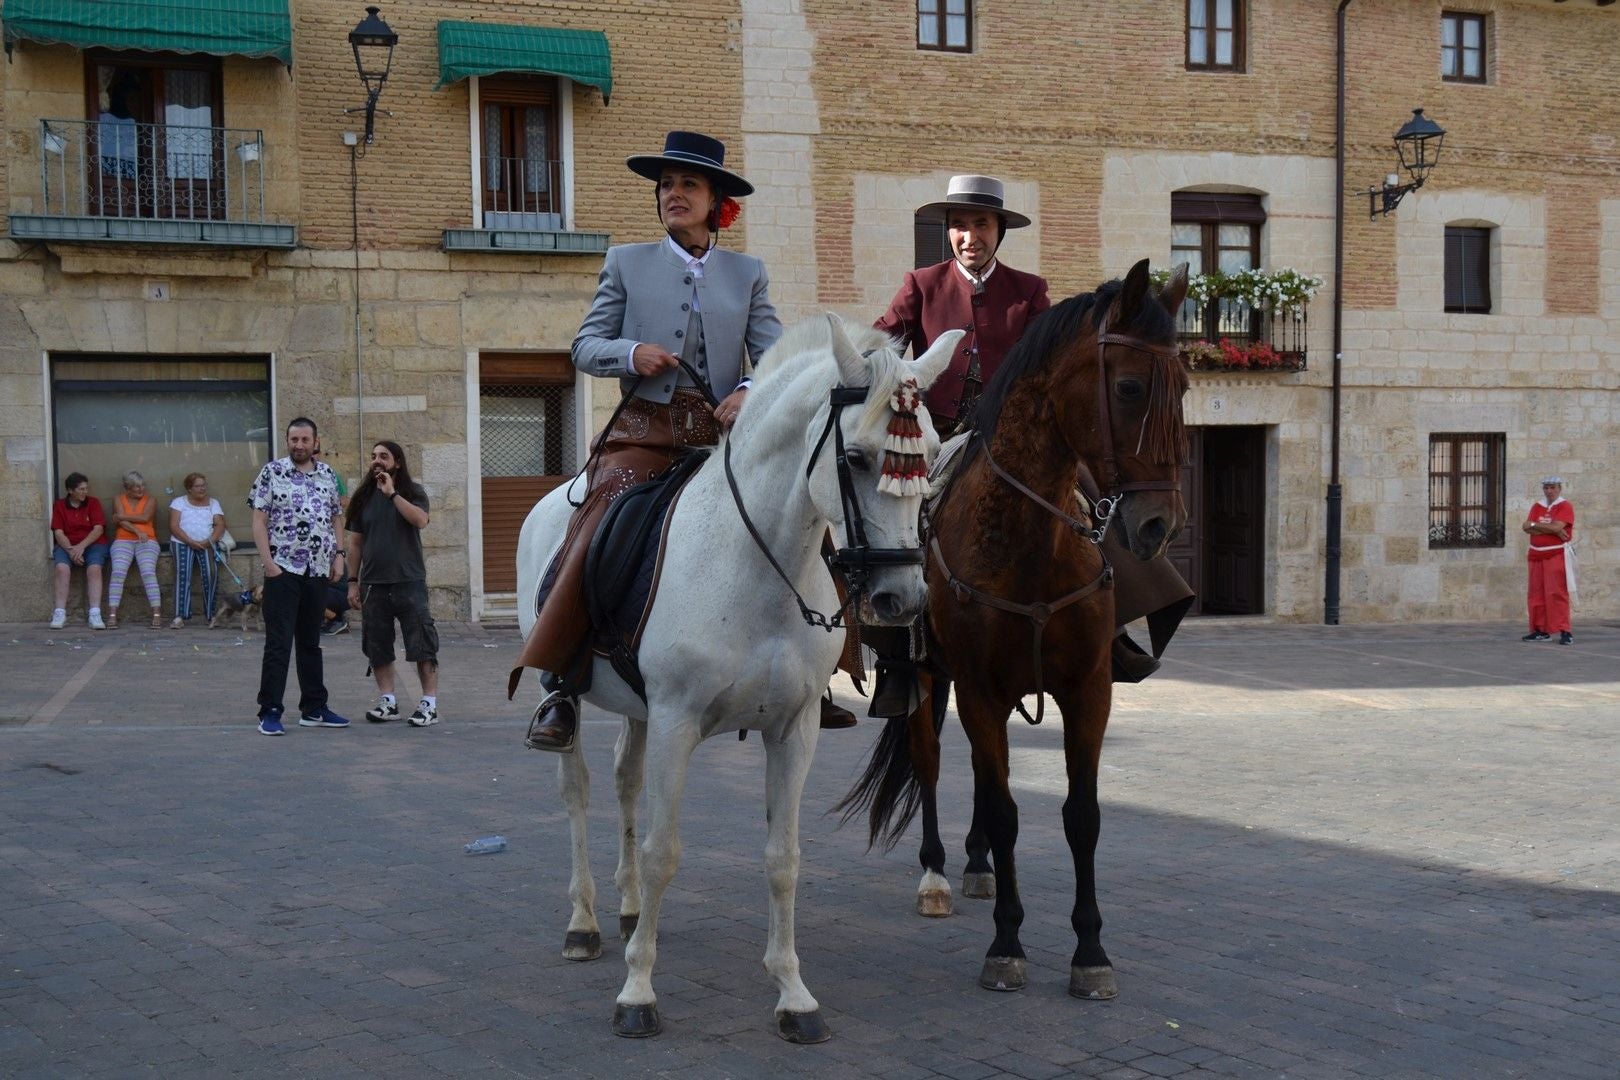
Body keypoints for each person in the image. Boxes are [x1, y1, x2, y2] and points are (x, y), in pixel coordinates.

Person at [869, 175, 1190, 710]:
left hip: (1012, 433)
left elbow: (1055, 358)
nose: (969, 235)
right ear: (949, 233)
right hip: (941, 434)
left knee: (1089, 497)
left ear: (998, 231)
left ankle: (1112, 631)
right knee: (899, 510)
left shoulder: (1029, 290)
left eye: (980, 224)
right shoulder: (920, 285)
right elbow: (883, 343)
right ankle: (898, 652)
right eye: (959, 225)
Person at [516, 130, 781, 753]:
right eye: (666, 185)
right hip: (641, 437)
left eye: (688, 184)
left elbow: (774, 353)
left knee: (796, 512)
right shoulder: (625, 262)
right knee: (596, 521)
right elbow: (584, 346)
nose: (674, 194)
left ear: (716, 199)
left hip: (719, 443)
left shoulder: (748, 273)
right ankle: (562, 680)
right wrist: (631, 352)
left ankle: (816, 673)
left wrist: (746, 387)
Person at [249, 417, 348, 736]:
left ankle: (314, 707)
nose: (299, 445)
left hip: (318, 569)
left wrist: (339, 556)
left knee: (311, 641)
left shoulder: (328, 475)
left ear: (315, 442)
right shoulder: (272, 472)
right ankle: (270, 710)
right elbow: (258, 521)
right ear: (287, 440)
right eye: (294, 439)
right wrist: (268, 563)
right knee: (279, 642)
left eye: (305, 439)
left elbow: (336, 518)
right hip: (283, 568)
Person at [345, 440, 441, 727]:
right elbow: (356, 544)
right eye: (374, 456)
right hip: (374, 584)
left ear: (397, 463)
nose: (377, 461)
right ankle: (388, 701)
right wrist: (352, 582)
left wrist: (392, 494)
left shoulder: (412, 492)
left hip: (409, 581)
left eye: (383, 456)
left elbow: (421, 520)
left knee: (422, 642)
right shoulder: (362, 497)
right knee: (377, 645)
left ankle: (429, 704)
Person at [49, 472, 108, 630]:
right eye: (81, 489)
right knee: (62, 568)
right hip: (67, 545)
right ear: (70, 490)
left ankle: (95, 613)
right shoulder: (60, 506)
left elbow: (98, 529)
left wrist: (80, 547)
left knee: (94, 569)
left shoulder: (93, 503)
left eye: (86, 488)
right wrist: (71, 551)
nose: (85, 492)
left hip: (93, 544)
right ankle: (59, 612)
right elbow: (58, 532)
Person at [106, 470, 163, 629]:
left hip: (148, 540)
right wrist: (137, 531)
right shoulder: (118, 499)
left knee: (148, 572)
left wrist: (121, 516)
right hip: (123, 540)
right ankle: (112, 614)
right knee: (117, 572)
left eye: (142, 485)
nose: (141, 489)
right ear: (127, 488)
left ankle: (157, 614)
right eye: (136, 487)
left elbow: (145, 518)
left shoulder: (151, 500)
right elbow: (121, 524)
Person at [1522, 475, 1576, 646]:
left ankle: (1565, 630)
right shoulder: (1537, 506)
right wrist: (1550, 529)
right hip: (1536, 554)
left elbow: (1557, 526)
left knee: (1556, 593)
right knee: (1536, 594)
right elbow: (1525, 526)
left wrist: (1537, 526)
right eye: (1546, 488)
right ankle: (1540, 630)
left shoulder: (1564, 506)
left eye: (1552, 487)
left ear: (1559, 488)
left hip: (1555, 554)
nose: (1549, 491)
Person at [168, 473, 225, 628]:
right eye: (198, 486)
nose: (202, 488)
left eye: (203, 485)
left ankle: (211, 614)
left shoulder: (213, 503)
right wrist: (190, 541)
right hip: (182, 542)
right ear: (189, 488)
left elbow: (220, 525)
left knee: (211, 574)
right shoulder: (179, 502)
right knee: (182, 574)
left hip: (206, 543)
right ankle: (180, 616)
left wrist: (208, 541)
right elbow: (174, 526)